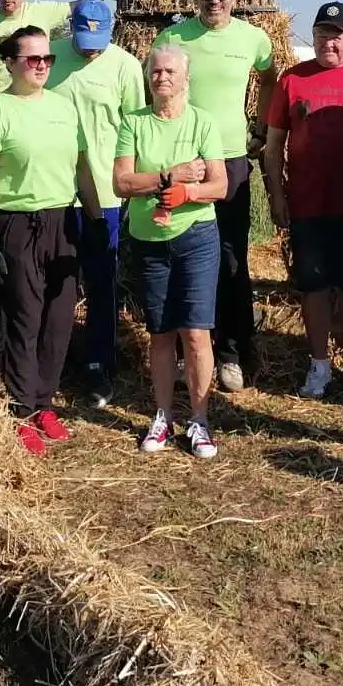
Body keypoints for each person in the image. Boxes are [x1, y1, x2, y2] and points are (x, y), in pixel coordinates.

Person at [0, 25, 103, 454]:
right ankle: (21, 410)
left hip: (62, 220)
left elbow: (81, 169)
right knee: (24, 317)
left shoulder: (64, 108)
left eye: (47, 58)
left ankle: (45, 402)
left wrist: (96, 218)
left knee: (59, 319)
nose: (42, 65)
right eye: (33, 59)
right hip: (16, 223)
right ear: (11, 63)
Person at [155, 0, 276, 392]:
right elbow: (156, 86)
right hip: (184, 160)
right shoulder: (173, 37)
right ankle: (182, 349)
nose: (214, 2)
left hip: (230, 160)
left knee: (231, 257)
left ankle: (231, 353)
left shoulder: (253, 39)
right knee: (180, 252)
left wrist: (261, 126)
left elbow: (269, 79)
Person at [263, 1, 343, 401]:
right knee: (314, 287)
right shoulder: (292, 80)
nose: (328, 43)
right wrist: (277, 196)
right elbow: (273, 147)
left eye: (336, 36)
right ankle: (318, 364)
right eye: (321, 35)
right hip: (307, 204)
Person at [113, 45, 228, 458]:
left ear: (186, 78)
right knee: (160, 333)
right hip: (148, 241)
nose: (161, 78)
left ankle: (199, 419)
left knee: (195, 333)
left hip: (196, 238)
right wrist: (169, 176)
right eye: (155, 71)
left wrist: (187, 193)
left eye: (170, 72)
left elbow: (220, 186)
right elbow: (121, 183)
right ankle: (162, 416)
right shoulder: (133, 123)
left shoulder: (203, 122)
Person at [45, 0, 146, 407]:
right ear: (70, 28)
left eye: (98, 43)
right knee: (57, 282)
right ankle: (54, 361)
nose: (91, 52)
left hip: (105, 193)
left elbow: (136, 128)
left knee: (102, 282)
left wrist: (133, 187)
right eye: (84, 42)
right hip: (54, 191)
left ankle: (99, 364)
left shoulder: (125, 67)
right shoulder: (50, 59)